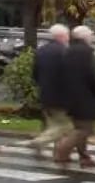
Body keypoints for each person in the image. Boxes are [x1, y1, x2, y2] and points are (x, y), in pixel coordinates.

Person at [54, 25, 95, 167]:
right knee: (85, 129)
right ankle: (62, 150)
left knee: (79, 127)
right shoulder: (85, 52)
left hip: (70, 95)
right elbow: (91, 75)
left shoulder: (68, 51)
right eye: (91, 36)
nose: (92, 38)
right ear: (85, 37)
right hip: (84, 96)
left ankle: (84, 157)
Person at [26, 24, 71, 158]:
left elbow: (35, 73)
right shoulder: (65, 52)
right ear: (62, 36)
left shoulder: (41, 51)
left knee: (51, 124)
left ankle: (58, 152)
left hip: (45, 93)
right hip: (61, 95)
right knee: (65, 126)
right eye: (67, 35)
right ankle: (40, 142)